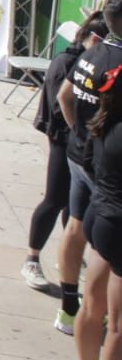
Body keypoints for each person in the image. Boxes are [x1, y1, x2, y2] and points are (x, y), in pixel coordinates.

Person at [60, 0, 122, 360]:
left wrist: (79, 136)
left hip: (97, 184)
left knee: (92, 303)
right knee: (116, 325)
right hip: (109, 199)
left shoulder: (93, 50)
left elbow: (65, 97)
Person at [27, 20, 108, 290]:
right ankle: (32, 259)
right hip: (64, 142)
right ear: (94, 40)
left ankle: (70, 256)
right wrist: (77, 131)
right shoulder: (68, 62)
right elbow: (62, 101)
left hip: (77, 144)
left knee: (74, 210)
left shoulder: (84, 60)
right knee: (54, 200)